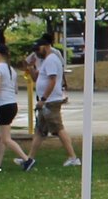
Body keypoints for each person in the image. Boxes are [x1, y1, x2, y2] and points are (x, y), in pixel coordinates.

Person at [31, 33, 79, 165]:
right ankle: (30, 159)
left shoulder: (52, 60)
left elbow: (52, 81)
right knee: (40, 131)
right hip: (46, 101)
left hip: (51, 101)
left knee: (58, 128)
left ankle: (73, 157)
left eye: (38, 49)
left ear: (46, 46)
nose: (36, 52)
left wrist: (43, 99)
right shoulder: (46, 60)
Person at [0, 45, 34, 172]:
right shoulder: (11, 70)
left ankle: (26, 159)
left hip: (3, 105)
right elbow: (15, 89)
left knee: (6, 138)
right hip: (12, 104)